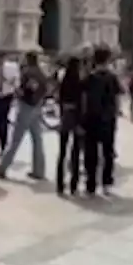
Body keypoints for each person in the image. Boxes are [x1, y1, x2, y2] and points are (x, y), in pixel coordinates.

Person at [0, 51, 49, 181]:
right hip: (37, 106)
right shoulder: (40, 73)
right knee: (37, 139)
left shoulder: (27, 73)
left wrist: (18, 92)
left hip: (26, 106)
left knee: (16, 138)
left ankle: (3, 166)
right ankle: (39, 170)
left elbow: (24, 89)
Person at [81, 45, 122, 196]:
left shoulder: (89, 78)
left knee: (90, 152)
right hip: (108, 118)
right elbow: (117, 98)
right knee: (108, 151)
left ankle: (90, 183)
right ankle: (106, 182)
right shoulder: (112, 77)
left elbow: (84, 99)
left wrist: (83, 117)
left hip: (91, 118)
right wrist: (116, 114)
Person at [55, 55, 87, 196]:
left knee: (62, 152)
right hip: (76, 117)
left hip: (65, 117)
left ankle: (60, 183)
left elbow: (59, 100)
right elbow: (82, 104)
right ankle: (74, 183)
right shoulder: (80, 84)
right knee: (75, 152)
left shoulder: (64, 82)